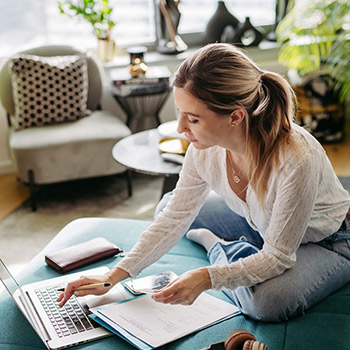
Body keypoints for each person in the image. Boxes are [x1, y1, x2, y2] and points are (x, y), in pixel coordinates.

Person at [58, 43, 350, 322]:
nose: (181, 128)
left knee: (268, 303)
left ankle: (220, 249)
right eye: (180, 113)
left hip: (327, 242)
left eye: (193, 119)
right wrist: (114, 276)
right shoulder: (204, 150)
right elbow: (174, 218)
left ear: (235, 117)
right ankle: (239, 251)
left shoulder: (296, 158)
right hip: (261, 225)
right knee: (166, 207)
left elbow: (277, 257)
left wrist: (207, 276)